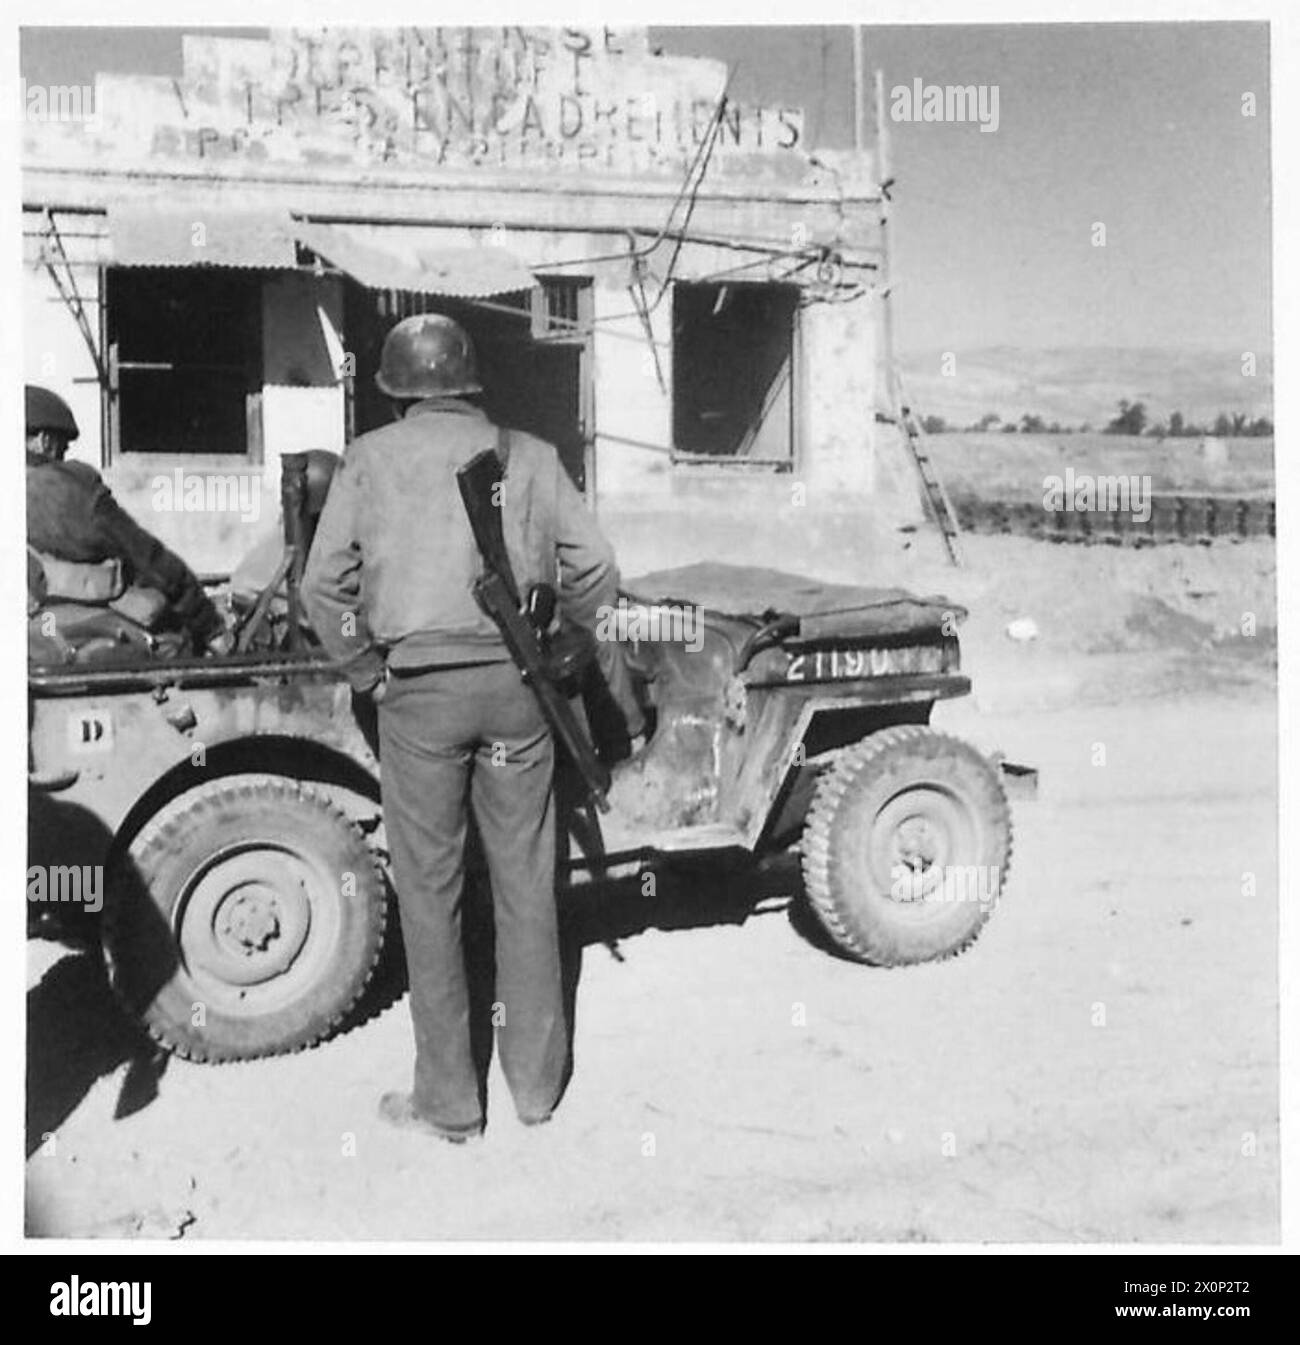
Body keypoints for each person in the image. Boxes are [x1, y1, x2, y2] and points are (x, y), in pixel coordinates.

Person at [302, 314, 642, 1143]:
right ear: (469, 381)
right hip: (520, 691)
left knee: (431, 891)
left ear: (394, 389)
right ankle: (537, 1089)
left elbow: (322, 588)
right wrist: (568, 643)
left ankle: (450, 1104)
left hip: (419, 698)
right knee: (528, 881)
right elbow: (596, 571)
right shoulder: (530, 454)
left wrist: (367, 673)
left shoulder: (369, 460)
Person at [25, 384, 230, 654]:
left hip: (36, 637)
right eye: (62, 449)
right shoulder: (68, 489)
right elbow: (148, 558)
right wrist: (210, 626)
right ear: (44, 441)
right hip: (67, 638)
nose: (63, 458)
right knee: (176, 644)